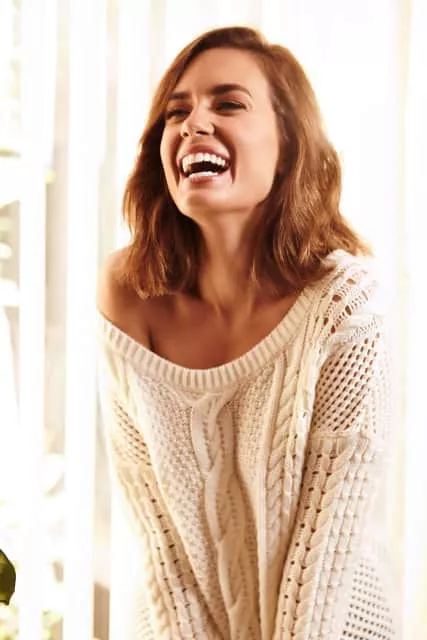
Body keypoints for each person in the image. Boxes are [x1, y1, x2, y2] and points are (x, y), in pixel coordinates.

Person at [97, 26, 399, 640]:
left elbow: (323, 561)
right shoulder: (128, 294)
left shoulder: (345, 305)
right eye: (176, 112)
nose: (193, 124)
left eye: (229, 103)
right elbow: (159, 542)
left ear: (288, 146)